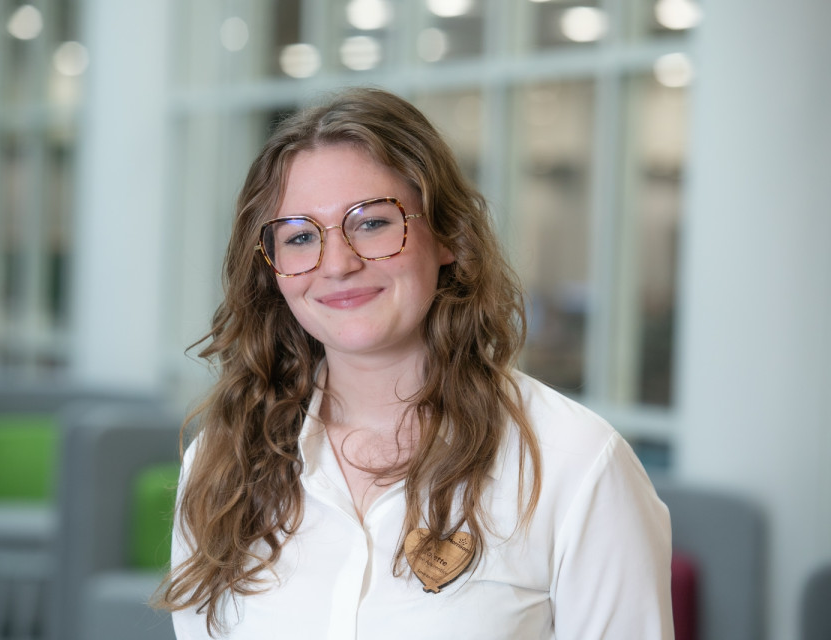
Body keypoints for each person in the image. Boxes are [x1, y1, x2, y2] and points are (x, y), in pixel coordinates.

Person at [159, 87, 673, 639]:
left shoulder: (576, 465)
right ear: (272, 267)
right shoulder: (221, 462)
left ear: (448, 234)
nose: (337, 264)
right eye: (301, 236)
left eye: (373, 223)